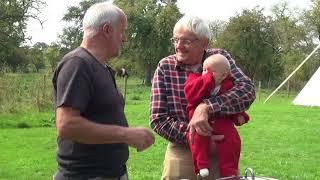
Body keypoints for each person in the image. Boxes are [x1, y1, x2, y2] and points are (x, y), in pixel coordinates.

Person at [52, 2, 155, 180]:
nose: (125, 39)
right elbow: (66, 125)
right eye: (122, 32)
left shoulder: (102, 68)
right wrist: (126, 134)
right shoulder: (77, 64)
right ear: (107, 30)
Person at [150, 15, 255, 180]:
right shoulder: (165, 67)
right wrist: (198, 138)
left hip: (222, 153)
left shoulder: (220, 58)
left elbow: (247, 90)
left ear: (204, 43)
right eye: (175, 40)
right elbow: (158, 119)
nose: (178, 46)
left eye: (186, 41)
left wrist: (206, 107)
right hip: (182, 152)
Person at [184, 54, 250, 178]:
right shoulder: (195, 80)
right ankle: (201, 165)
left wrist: (239, 115)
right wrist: (208, 79)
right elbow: (191, 96)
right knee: (198, 138)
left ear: (224, 75)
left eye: (209, 71)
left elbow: (233, 101)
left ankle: (230, 171)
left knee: (233, 140)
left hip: (222, 122)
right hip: (199, 123)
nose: (204, 74)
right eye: (204, 70)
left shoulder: (228, 86)